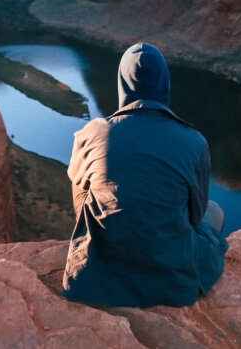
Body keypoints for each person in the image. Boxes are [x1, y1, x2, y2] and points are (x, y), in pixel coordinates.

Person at [62, 42, 227, 308]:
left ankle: (98, 239)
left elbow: (80, 188)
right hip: (171, 277)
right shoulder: (194, 142)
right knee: (215, 212)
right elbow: (196, 216)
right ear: (164, 83)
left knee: (80, 180)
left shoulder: (92, 133)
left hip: (100, 271)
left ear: (122, 83)